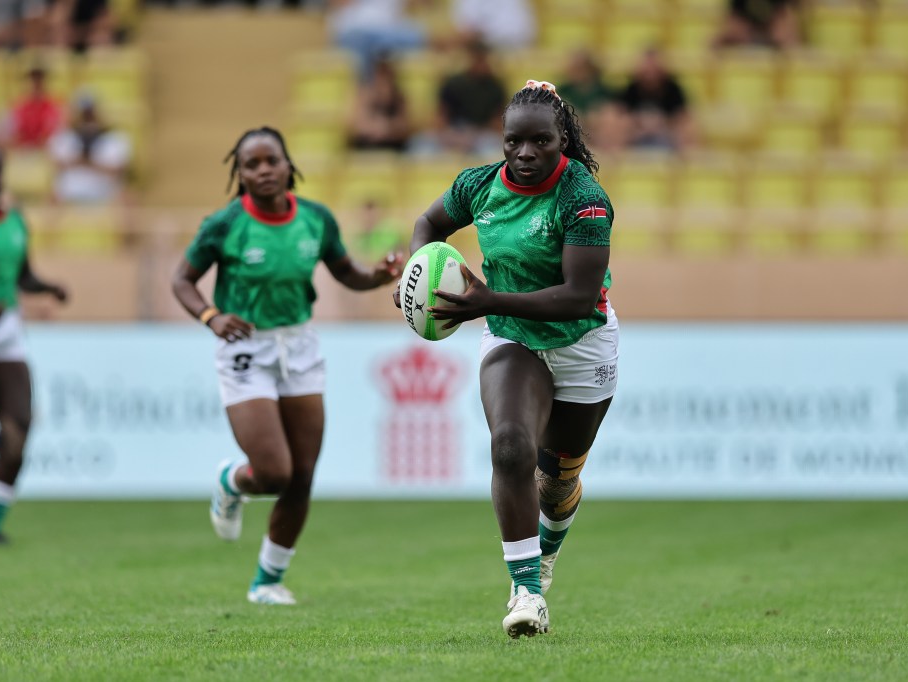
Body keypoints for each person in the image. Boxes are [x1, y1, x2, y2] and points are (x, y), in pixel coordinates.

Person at [395, 80, 618, 638]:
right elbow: (429, 226)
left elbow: (577, 295)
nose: (524, 153)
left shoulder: (583, 197)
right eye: (513, 142)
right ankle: (526, 592)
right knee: (511, 446)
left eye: (539, 141)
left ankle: (547, 543)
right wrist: (419, 274)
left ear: (561, 139)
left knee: (558, 481)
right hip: (511, 336)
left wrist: (486, 298)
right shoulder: (477, 185)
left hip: (581, 341)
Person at [171, 126, 404, 605]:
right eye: (250, 164)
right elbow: (182, 280)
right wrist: (210, 316)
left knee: (302, 475)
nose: (262, 171)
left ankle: (267, 581)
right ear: (239, 174)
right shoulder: (224, 224)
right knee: (274, 473)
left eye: (270, 161)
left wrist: (377, 276)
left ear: (288, 165)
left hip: (298, 346)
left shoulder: (316, 219)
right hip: (244, 349)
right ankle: (231, 481)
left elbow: (346, 273)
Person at [0, 142, 69, 542]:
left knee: (18, 431)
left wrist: (48, 288)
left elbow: (22, 276)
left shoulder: (16, 220)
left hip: (5, 333)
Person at [47, 92, 132, 204]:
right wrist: (90, 161)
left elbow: (118, 169)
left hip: (105, 191)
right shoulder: (64, 137)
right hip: (70, 190)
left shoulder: (115, 138)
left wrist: (85, 160)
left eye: (90, 114)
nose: (87, 119)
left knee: (128, 197)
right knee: (52, 197)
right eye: (84, 114)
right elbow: (57, 164)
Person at [617, 48, 693, 152]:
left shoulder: (673, 88)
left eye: (654, 68)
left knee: (688, 127)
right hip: (637, 133)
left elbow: (682, 115)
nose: (651, 72)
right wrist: (640, 124)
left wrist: (661, 123)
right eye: (648, 68)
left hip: (667, 133)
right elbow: (622, 113)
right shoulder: (631, 89)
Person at [347, 57, 412, 152]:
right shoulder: (365, 95)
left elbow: (407, 125)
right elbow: (353, 124)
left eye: (386, 76)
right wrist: (375, 128)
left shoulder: (400, 97)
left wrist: (388, 127)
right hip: (367, 146)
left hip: (393, 147)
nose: (383, 81)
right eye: (380, 76)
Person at [0, 65, 64, 151]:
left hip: (46, 151)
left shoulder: (54, 105)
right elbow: (6, 130)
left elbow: (56, 131)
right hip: (22, 150)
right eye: (34, 79)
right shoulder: (19, 105)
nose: (36, 83)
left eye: (39, 79)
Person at [714, 0, 802, 51]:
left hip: (771, 30)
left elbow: (784, 18)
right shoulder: (739, 3)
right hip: (746, 31)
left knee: (786, 37)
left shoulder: (779, 4)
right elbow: (734, 20)